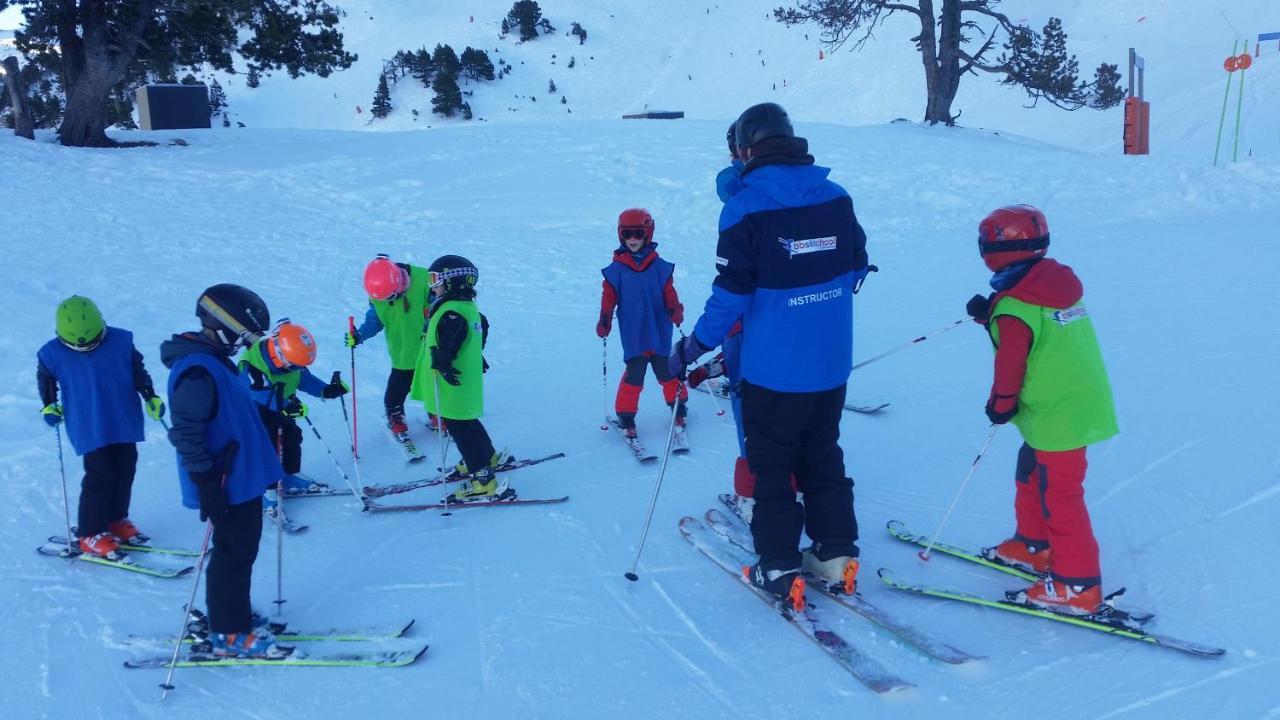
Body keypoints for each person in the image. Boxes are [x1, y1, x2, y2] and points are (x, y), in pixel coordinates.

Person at [669, 102, 872, 601]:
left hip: (775, 368)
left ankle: (780, 566)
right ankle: (835, 554)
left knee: (772, 464)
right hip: (829, 362)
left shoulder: (745, 207)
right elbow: (856, 267)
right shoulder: (835, 195)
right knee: (823, 452)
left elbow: (732, 294)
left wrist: (695, 345)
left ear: (744, 148)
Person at [964, 205, 1118, 616]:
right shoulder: (1052, 283)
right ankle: (1033, 545)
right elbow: (1039, 326)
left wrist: (1001, 405)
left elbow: (1012, 359)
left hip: (1058, 413)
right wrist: (993, 313)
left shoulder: (1016, 306)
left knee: (1061, 494)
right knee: (1031, 471)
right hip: (1072, 403)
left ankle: (1078, 584)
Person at [162, 283, 287, 658]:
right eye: (242, 335)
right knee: (232, 553)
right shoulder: (197, 370)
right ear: (223, 326)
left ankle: (233, 613)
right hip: (223, 480)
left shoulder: (215, 361)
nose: (243, 344)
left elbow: (228, 411)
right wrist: (205, 482)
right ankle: (227, 631)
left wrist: (266, 414)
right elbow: (186, 432)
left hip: (241, 477)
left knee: (242, 550)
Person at [37, 296, 164, 557]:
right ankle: (90, 531)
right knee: (100, 475)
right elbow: (47, 379)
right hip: (89, 422)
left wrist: (150, 395)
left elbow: (138, 370)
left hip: (122, 416)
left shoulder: (121, 342)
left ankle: (116, 518)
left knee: (125, 468)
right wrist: (49, 404)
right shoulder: (52, 354)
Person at [409, 255, 508, 502]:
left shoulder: (451, 312)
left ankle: (483, 479)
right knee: (468, 422)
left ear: (454, 282)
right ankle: (487, 456)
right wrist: (477, 355)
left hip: (450, 383)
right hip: (462, 381)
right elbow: (479, 329)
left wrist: (443, 362)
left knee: (459, 427)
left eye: (436, 280)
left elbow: (451, 339)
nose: (433, 287)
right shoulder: (467, 308)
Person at [597, 208, 688, 441]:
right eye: (627, 234)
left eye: (638, 233)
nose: (633, 239)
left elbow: (669, 293)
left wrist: (675, 309)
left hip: (659, 328)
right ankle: (626, 417)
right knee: (634, 373)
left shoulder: (660, 267)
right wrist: (605, 317)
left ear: (648, 233)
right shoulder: (616, 270)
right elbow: (608, 297)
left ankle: (679, 406)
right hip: (634, 332)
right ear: (620, 236)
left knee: (666, 369)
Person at [238, 319, 349, 500]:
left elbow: (303, 379)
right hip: (256, 412)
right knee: (267, 447)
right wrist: (285, 406)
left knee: (292, 437)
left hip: (283, 407)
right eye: (294, 365)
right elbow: (257, 392)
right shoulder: (252, 364)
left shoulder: (291, 359)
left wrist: (325, 390)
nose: (297, 368)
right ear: (278, 354)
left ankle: (287, 476)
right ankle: (266, 490)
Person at [345, 254, 437, 437]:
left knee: (432, 385)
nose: (390, 300)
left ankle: (436, 413)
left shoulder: (423, 279)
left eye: (394, 295)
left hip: (427, 349)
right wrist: (360, 335)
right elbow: (375, 320)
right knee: (397, 389)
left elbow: (439, 307)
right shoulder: (378, 293)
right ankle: (395, 416)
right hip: (402, 353)